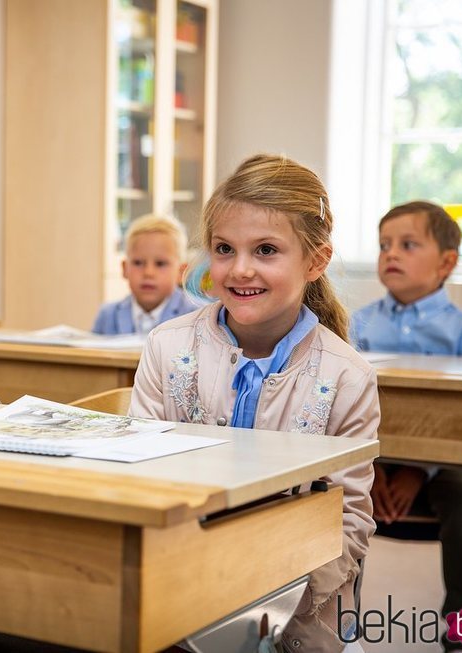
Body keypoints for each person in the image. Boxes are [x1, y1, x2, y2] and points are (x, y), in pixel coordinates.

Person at [130, 154, 378, 652]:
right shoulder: (166, 345)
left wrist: (265, 597)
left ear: (316, 260)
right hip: (177, 589)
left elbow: (348, 521)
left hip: (297, 613)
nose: (240, 269)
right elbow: (140, 477)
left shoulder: (348, 377)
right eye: (224, 248)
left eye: (266, 250)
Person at [351, 201, 462, 651]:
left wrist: (417, 471)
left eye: (408, 244)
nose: (391, 254)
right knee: (325, 481)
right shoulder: (359, 325)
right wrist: (374, 470)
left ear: (446, 262)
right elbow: (346, 405)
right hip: (373, 459)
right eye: (385, 245)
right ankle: (332, 626)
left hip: (445, 468)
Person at [92, 214, 200, 335]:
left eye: (160, 264)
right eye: (138, 263)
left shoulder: (196, 316)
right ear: (125, 268)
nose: (148, 273)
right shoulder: (107, 315)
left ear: (181, 272)